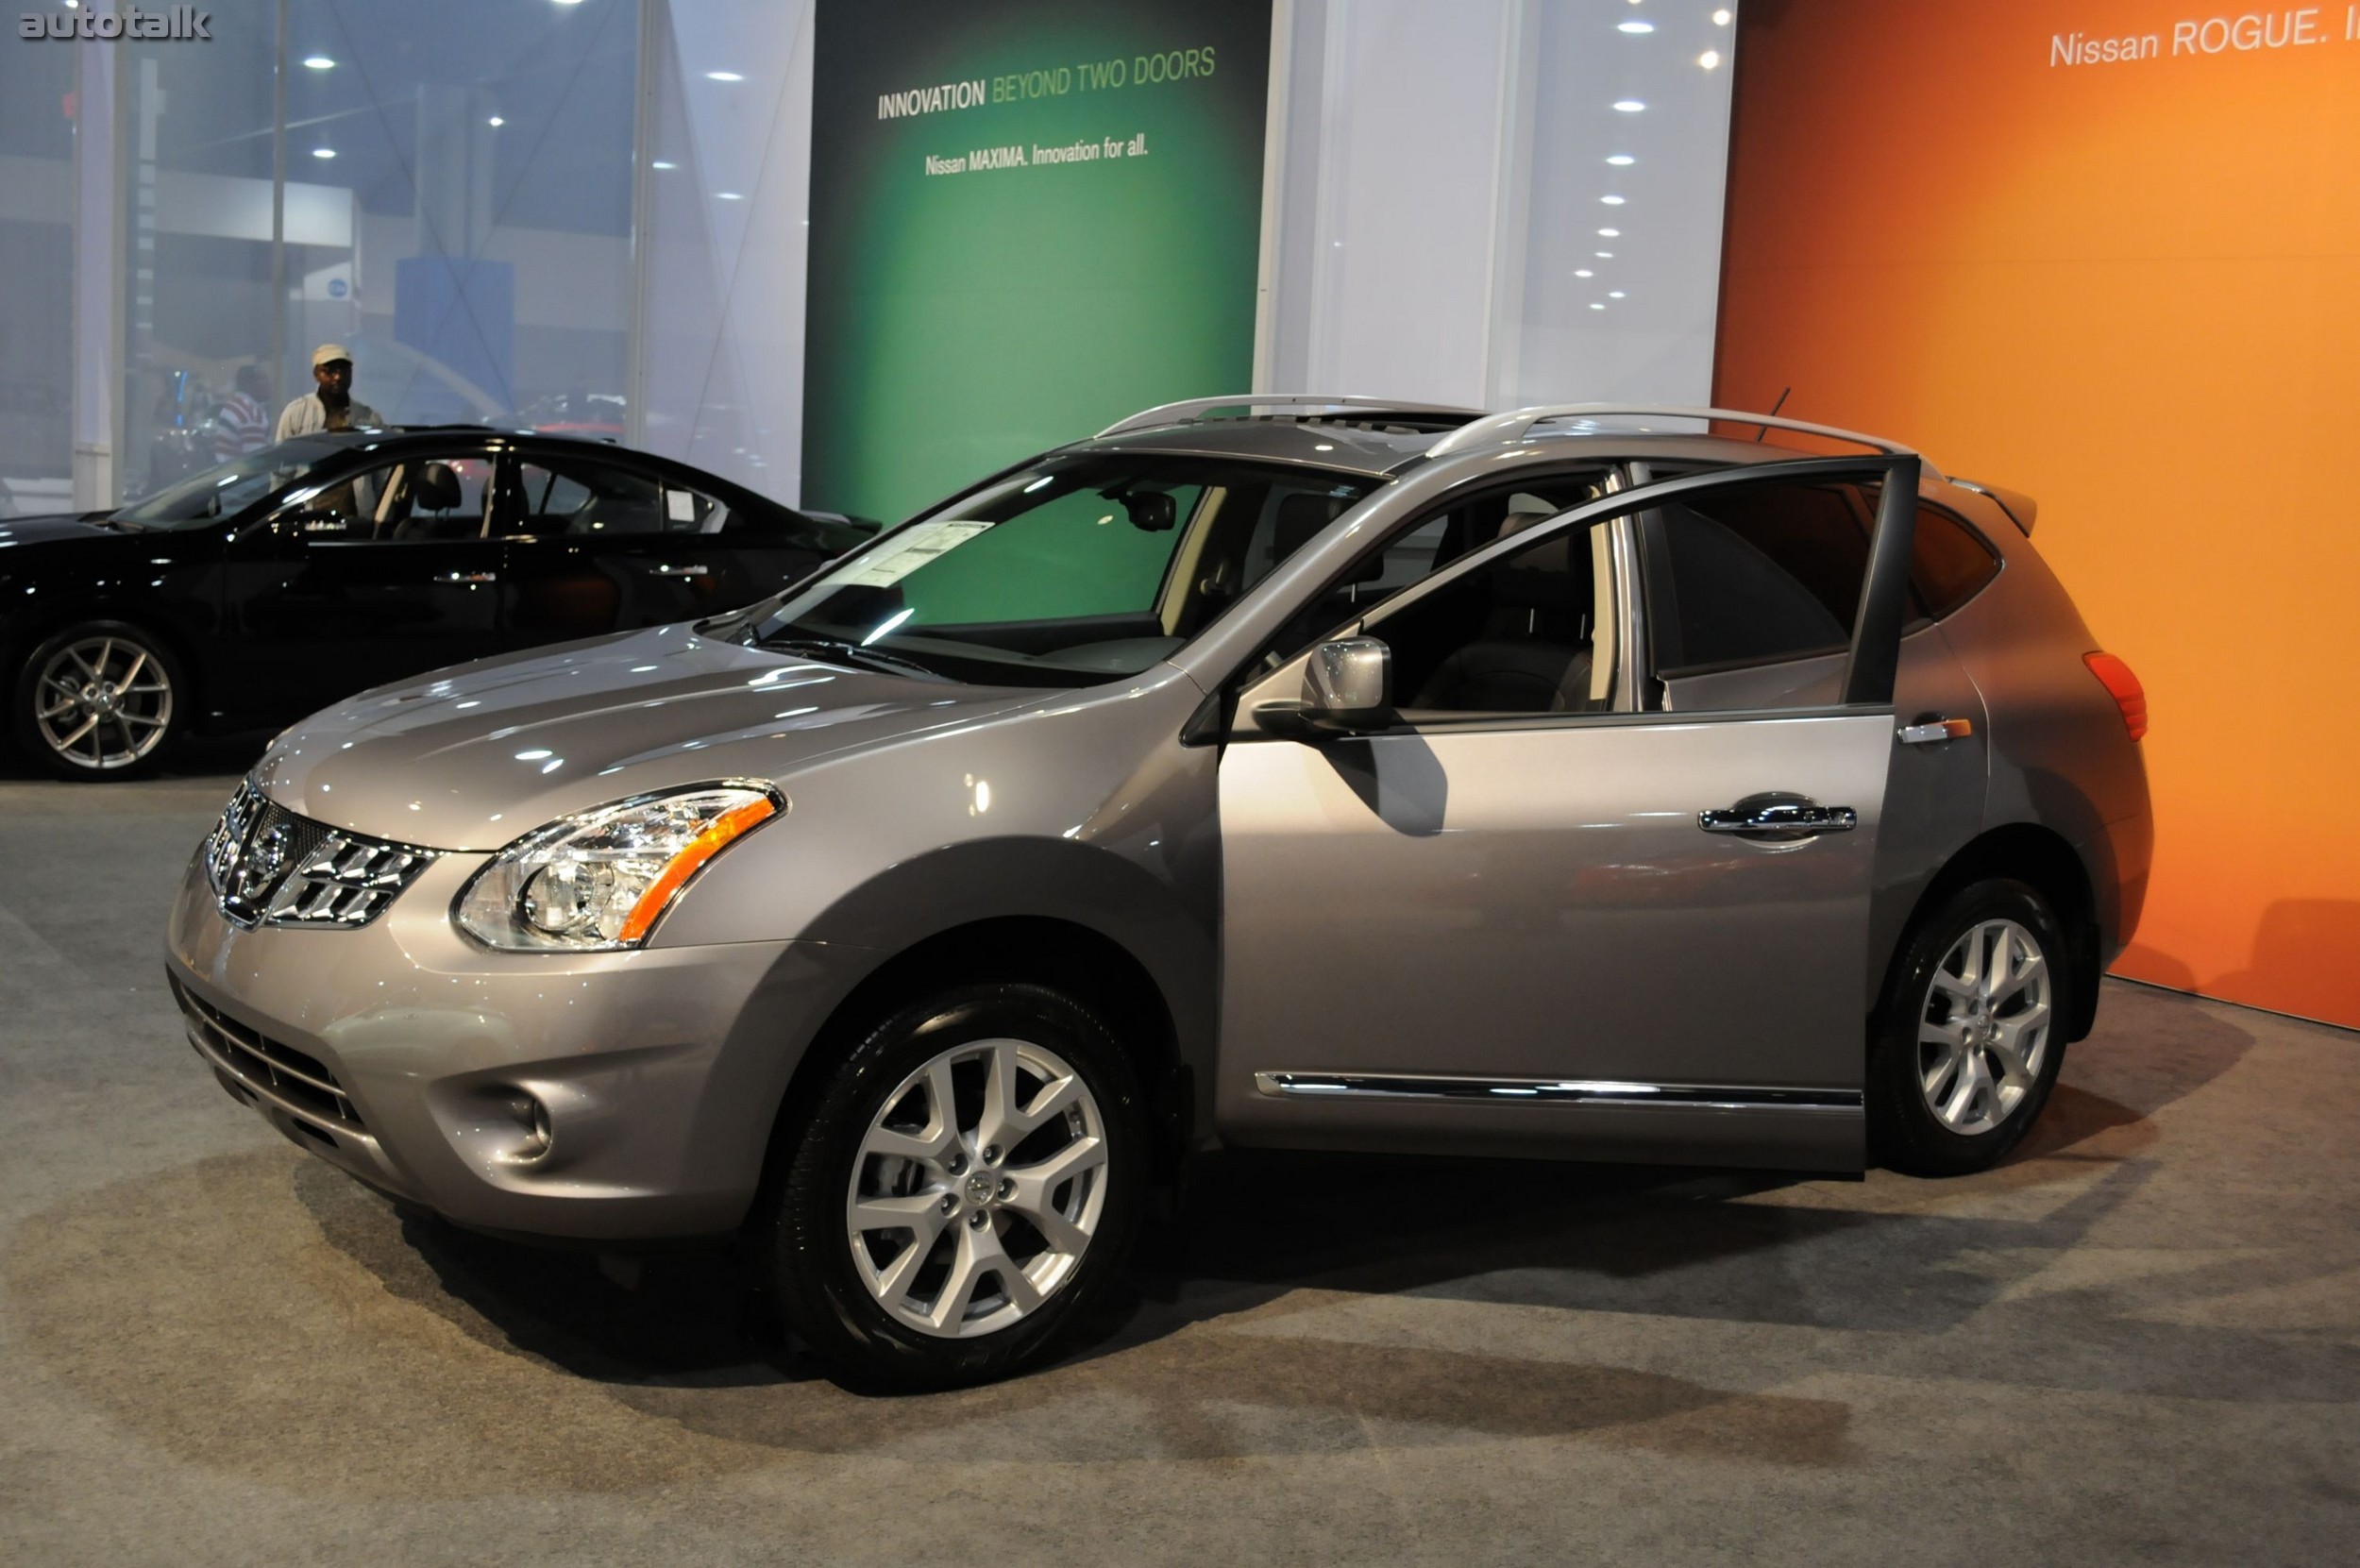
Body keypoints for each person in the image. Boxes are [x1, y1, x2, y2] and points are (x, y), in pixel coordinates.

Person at [274, 344, 382, 441]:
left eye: (343, 370)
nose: (338, 377)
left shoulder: (370, 418)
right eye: (330, 371)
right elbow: (280, 458)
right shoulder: (296, 413)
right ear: (316, 374)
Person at [211, 364, 271, 460]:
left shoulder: (233, 406)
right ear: (250, 385)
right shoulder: (251, 415)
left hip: (226, 471)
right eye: (264, 380)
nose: (269, 384)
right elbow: (256, 460)